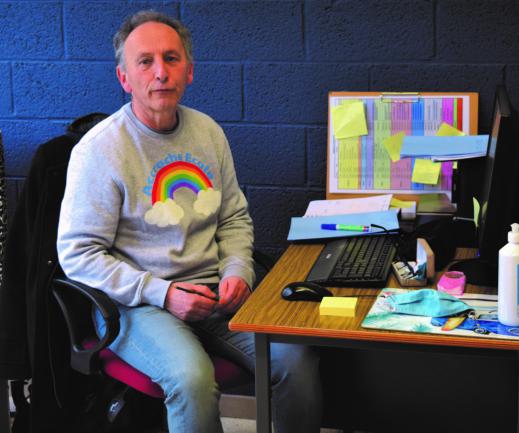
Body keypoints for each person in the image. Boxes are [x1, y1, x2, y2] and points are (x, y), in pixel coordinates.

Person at [57, 10, 322, 433]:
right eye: (145, 61)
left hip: (216, 295)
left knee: (294, 359)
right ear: (125, 78)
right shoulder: (100, 151)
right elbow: (78, 254)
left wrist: (239, 271)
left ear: (190, 71)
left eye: (171, 58)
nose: (160, 72)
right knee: (192, 378)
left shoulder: (209, 133)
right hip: (136, 305)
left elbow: (233, 217)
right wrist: (163, 294)